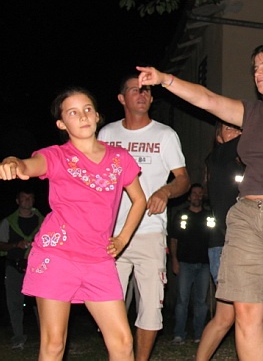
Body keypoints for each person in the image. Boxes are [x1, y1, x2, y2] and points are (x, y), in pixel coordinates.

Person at [138, 42, 263, 361]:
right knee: (246, 315)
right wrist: (165, 79)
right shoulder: (252, 113)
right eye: (255, 68)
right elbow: (206, 99)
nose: (257, 72)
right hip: (247, 218)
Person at [0, 86, 147, 360]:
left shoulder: (120, 158)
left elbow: (140, 200)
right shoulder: (56, 156)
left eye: (88, 109)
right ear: (61, 123)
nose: (83, 116)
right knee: (54, 344)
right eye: (73, 112)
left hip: (99, 259)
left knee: (123, 342)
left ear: (97, 116)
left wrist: (123, 238)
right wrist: (14, 162)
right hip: (56, 257)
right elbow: (29, 165)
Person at [98, 74, 191, 360]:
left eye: (147, 90)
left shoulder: (165, 135)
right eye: (135, 90)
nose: (143, 94)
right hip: (111, 234)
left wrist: (165, 191)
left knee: (150, 308)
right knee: (107, 305)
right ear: (121, 98)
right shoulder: (107, 134)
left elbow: (183, 179)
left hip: (149, 231)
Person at [197, 121, 263, 360]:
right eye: (229, 128)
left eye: (238, 129)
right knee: (226, 316)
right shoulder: (218, 158)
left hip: (255, 244)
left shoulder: (249, 163)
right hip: (225, 243)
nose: (236, 133)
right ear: (218, 136)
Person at [0, 189, 45, 350]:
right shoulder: (8, 222)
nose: (27, 200)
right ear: (17, 201)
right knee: (14, 303)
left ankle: (46, 337)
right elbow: (1, 244)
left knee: (42, 303)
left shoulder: (43, 221)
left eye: (30, 197)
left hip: (38, 268)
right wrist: (15, 245)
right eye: (24, 198)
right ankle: (18, 338)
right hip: (14, 266)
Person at [170, 183, 211, 345]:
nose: (197, 196)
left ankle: (199, 334)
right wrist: (174, 260)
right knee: (182, 300)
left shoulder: (209, 216)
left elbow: (214, 237)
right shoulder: (181, 215)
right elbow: (174, 239)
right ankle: (179, 334)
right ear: (189, 196)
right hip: (185, 263)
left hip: (204, 264)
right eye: (194, 193)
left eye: (200, 194)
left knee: (201, 301)